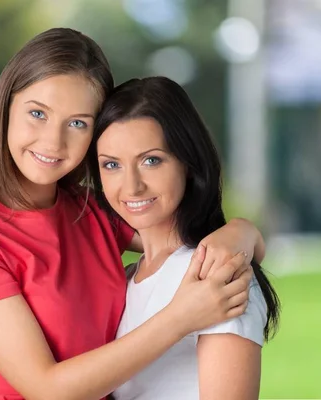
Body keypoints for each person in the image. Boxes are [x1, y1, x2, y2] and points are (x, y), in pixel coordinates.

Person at [0, 28, 265, 400]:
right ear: (5, 108)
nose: (53, 141)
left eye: (77, 123)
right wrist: (181, 317)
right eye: (38, 113)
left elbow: (176, 237)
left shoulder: (92, 212)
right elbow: (46, 388)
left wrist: (240, 232)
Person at [90, 76, 281, 400]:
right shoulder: (123, 282)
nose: (132, 186)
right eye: (112, 165)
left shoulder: (216, 273)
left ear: (188, 163)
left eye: (151, 160)